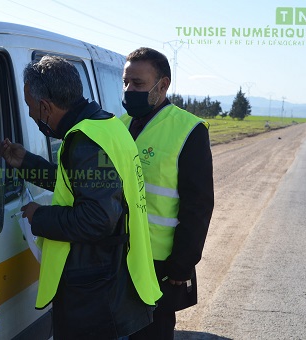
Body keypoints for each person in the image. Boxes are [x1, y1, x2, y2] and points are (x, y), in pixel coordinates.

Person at [0, 55, 162, 339]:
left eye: (30, 107)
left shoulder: (86, 140)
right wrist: (26, 162)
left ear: (45, 107)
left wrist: (41, 217)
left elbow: (97, 219)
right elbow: (77, 182)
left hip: (97, 296)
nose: (29, 115)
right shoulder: (104, 125)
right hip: (111, 281)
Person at [120, 47, 214, 340]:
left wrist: (183, 264)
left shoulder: (188, 129)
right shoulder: (120, 126)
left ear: (163, 85)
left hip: (159, 263)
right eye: (125, 82)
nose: (128, 90)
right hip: (118, 255)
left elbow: (198, 204)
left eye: (138, 83)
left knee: (153, 333)